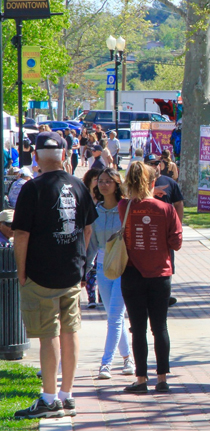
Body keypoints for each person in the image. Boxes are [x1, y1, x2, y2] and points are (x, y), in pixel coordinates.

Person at [12, 131, 98, 418]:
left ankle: (49, 398)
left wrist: (21, 271)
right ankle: (67, 394)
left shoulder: (32, 188)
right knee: (70, 331)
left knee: (49, 334)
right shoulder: (78, 186)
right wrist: (80, 261)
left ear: (34, 157)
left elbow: (21, 234)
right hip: (71, 273)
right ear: (64, 156)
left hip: (40, 274)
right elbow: (87, 229)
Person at [119, 161, 182, 394]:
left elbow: (127, 196)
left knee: (138, 328)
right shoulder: (167, 209)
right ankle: (163, 379)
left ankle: (141, 379)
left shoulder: (123, 207)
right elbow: (177, 243)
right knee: (160, 327)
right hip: (160, 274)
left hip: (132, 273)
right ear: (153, 182)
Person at [88, 167, 135, 379]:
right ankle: (127, 359)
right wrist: (84, 270)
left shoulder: (125, 208)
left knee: (115, 317)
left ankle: (105, 364)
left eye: (108, 181)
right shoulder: (94, 211)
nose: (104, 184)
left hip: (124, 266)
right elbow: (91, 245)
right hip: (102, 266)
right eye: (101, 181)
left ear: (117, 184)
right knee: (114, 316)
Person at [145, 153, 184, 307]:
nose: (154, 166)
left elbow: (179, 203)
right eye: (150, 163)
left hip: (165, 231)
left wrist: (178, 224)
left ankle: (165, 295)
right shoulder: (140, 184)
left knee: (167, 263)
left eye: (156, 163)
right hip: (145, 230)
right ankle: (147, 295)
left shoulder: (169, 182)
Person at [81, 168, 103, 308]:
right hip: (88, 235)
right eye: (96, 179)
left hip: (101, 235)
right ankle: (91, 297)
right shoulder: (84, 196)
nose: (98, 183)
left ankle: (102, 296)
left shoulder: (104, 198)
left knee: (101, 267)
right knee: (90, 265)